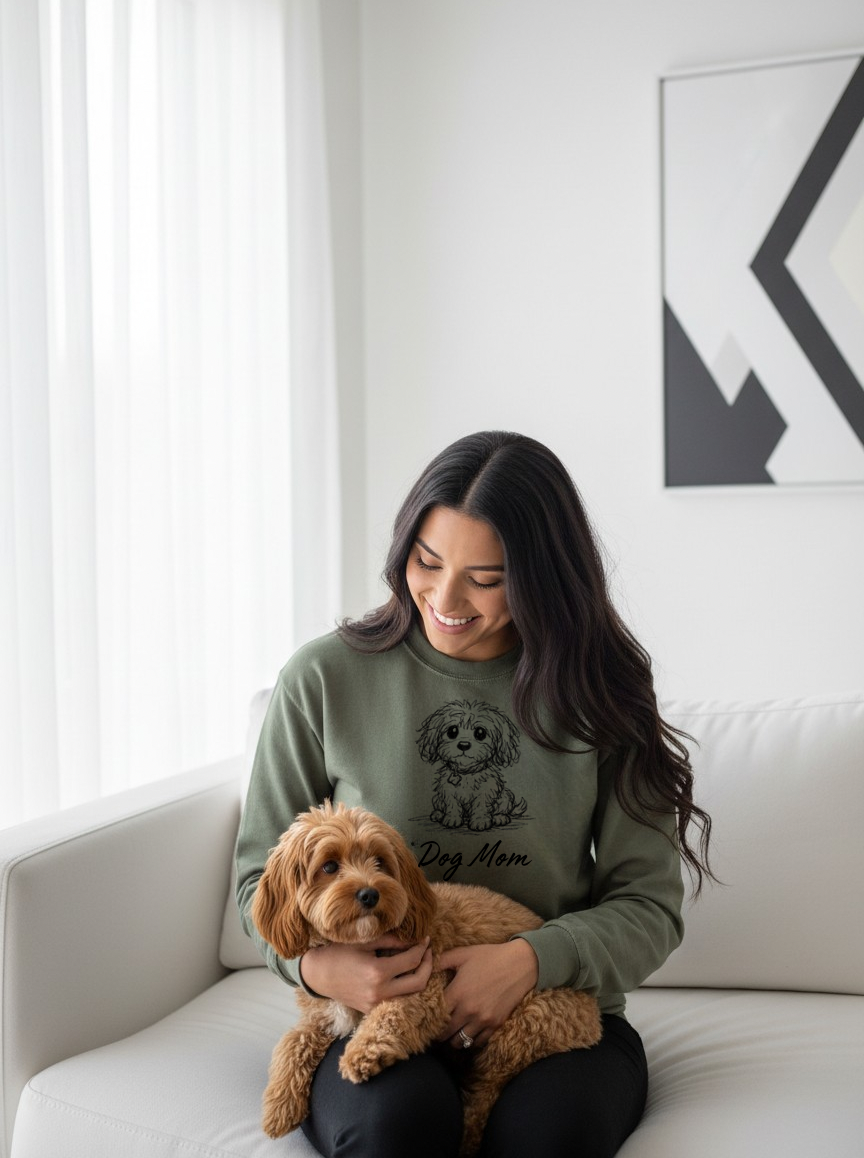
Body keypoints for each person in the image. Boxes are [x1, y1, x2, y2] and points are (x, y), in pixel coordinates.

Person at [235, 430, 713, 1158]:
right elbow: (255, 887)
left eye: (485, 578)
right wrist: (318, 968)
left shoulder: (602, 690)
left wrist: (529, 959)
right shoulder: (322, 680)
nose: (445, 599)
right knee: (395, 1129)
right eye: (426, 562)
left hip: (552, 1011)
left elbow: (648, 909)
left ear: (542, 578)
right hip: (371, 1012)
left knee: (546, 1136)